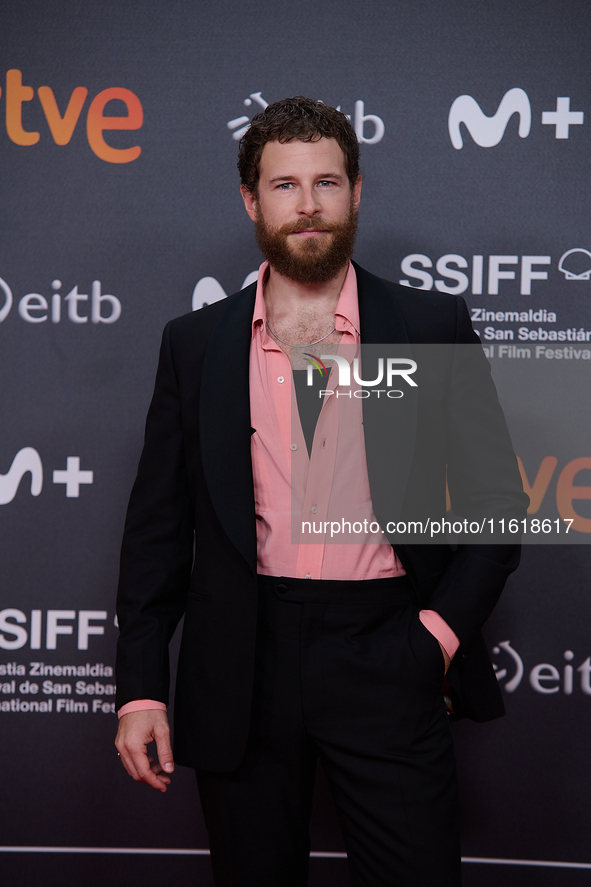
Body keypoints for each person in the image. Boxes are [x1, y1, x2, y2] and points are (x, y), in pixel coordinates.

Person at [115, 96, 528, 886]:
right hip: (241, 657)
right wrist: (138, 687)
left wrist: (431, 640)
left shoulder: (428, 322)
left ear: (356, 191)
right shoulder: (194, 342)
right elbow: (157, 532)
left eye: (326, 182)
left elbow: (495, 506)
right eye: (283, 185)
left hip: (387, 649)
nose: (307, 205)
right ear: (250, 200)